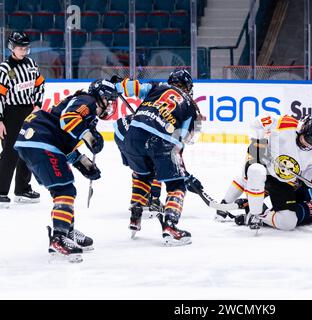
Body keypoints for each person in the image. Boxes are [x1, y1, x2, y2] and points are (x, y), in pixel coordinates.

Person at [14, 79, 118, 262]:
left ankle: (66, 231)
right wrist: (89, 137)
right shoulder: (89, 102)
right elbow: (67, 120)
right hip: (40, 139)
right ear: (101, 97)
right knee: (65, 189)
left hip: (35, 139)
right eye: (109, 100)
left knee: (61, 188)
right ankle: (59, 237)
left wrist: (83, 163)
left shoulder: (83, 104)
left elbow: (63, 140)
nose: (110, 105)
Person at [117, 69, 203, 246]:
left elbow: (131, 87)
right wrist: (182, 173)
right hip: (161, 142)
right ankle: (170, 227)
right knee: (176, 184)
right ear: (188, 87)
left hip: (133, 136)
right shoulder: (192, 106)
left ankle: (135, 215)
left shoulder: (157, 87)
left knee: (142, 174)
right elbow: (183, 139)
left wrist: (117, 84)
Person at [231, 114, 312, 230]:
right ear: (301, 130)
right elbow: (257, 124)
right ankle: (246, 208)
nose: (306, 146)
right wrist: (258, 144)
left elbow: (310, 173)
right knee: (256, 170)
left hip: (284, 182)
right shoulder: (285, 124)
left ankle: (261, 213)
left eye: (311, 145)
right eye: (304, 141)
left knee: (288, 223)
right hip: (266, 168)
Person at [0, 31, 45, 208]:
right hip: (10, 113)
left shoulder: (32, 64)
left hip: (29, 111)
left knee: (27, 149)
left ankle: (22, 189)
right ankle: (1, 191)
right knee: (10, 153)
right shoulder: (4, 68)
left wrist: (38, 105)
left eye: (26, 48)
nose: (24, 51)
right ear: (12, 47)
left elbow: (39, 84)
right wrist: (0, 120)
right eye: (20, 48)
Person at [113, 113, 164, 216]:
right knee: (156, 166)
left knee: (140, 169)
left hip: (121, 133)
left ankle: (139, 201)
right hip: (135, 135)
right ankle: (154, 200)